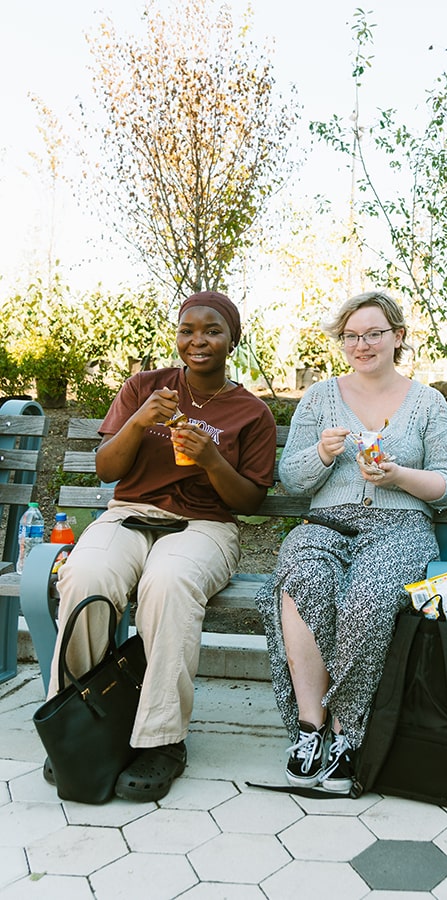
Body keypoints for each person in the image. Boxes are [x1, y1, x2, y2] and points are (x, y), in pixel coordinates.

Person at [46, 291, 277, 802]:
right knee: (84, 577)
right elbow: (107, 470)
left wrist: (212, 460)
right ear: (177, 336)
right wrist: (138, 420)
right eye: (188, 330)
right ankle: (78, 718)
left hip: (206, 526)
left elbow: (252, 501)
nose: (198, 341)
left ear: (232, 339)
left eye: (212, 330)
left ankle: (162, 739)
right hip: (129, 514)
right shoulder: (145, 387)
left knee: (168, 584)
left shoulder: (250, 411)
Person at [255, 290, 447, 794]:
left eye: (373, 333)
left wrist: (399, 477)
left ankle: (349, 733)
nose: (362, 344)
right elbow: (291, 478)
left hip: (401, 526)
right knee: (299, 579)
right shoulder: (320, 397)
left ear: (397, 337)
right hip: (326, 523)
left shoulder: (428, 402)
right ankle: (310, 730)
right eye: (351, 336)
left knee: (366, 599)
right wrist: (323, 457)